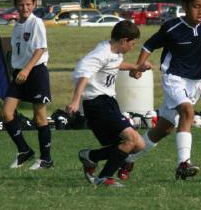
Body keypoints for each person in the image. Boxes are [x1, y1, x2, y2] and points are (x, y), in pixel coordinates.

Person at [121, 0, 201, 181]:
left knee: (164, 129)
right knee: (188, 112)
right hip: (173, 77)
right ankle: (183, 164)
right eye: (196, 7)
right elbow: (149, 45)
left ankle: (128, 159)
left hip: (195, 83)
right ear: (185, 6)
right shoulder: (172, 27)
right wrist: (138, 67)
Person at [65, 21, 151, 187]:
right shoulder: (101, 53)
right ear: (124, 40)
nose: (132, 47)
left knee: (137, 144)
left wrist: (136, 67)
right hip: (97, 104)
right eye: (132, 44)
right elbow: (84, 75)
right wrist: (75, 101)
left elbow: (116, 65)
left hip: (109, 102)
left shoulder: (115, 51)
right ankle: (104, 177)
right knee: (131, 140)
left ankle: (91, 156)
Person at [0, 0, 53, 170]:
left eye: (28, 4)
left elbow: (40, 49)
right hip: (19, 73)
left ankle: (46, 159)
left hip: (35, 72)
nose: (25, 8)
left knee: (39, 117)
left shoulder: (36, 23)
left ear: (34, 4)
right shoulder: (17, 26)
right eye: (21, 5)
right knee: (6, 113)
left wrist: (27, 69)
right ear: (16, 5)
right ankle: (24, 150)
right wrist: (16, 70)